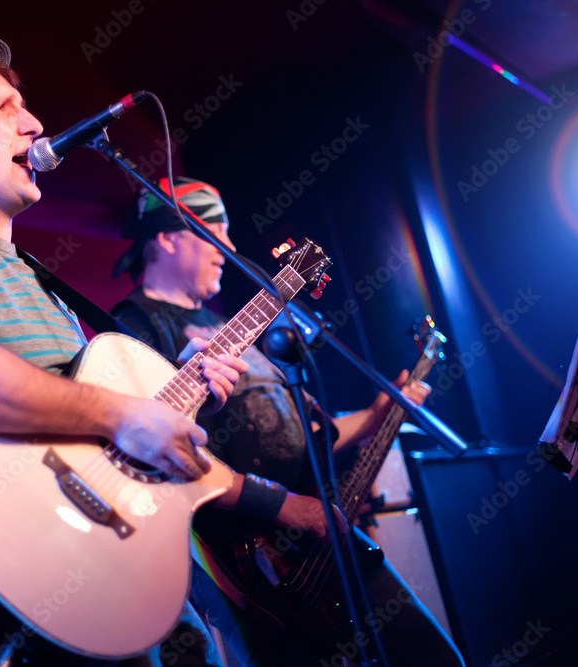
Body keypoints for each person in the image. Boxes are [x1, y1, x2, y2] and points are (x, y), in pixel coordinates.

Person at [0, 38, 248, 666]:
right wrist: (125, 415)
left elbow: (78, 426)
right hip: (49, 563)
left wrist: (171, 392)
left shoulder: (23, 270)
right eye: (3, 109)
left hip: (112, 556)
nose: (36, 123)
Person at [110, 178, 465, 666]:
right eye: (215, 230)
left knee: (432, 656)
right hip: (249, 556)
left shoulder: (231, 325)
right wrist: (283, 507)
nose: (228, 247)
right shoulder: (133, 323)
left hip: (318, 530)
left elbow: (307, 435)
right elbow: (155, 437)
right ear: (168, 237)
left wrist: (378, 413)